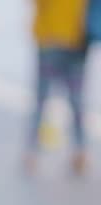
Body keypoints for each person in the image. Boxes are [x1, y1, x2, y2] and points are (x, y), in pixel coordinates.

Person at [26, 0, 89, 175]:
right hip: (72, 38)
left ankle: (31, 150)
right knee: (75, 101)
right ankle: (80, 150)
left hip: (55, 39)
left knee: (42, 99)